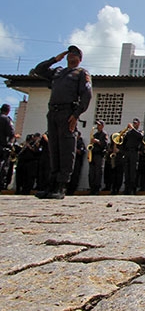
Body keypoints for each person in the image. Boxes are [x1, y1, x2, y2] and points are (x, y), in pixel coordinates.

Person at [31, 46, 92, 199]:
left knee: (66, 149)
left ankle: (61, 186)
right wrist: (54, 59)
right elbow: (39, 70)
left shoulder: (81, 73)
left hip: (67, 113)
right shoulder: (58, 71)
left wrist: (76, 115)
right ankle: (51, 185)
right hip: (53, 112)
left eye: (75, 54)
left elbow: (87, 95)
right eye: (69, 53)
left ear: (80, 58)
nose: (71, 56)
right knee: (54, 148)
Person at [120, 118, 144, 195]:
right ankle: (126, 188)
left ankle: (132, 189)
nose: (134, 124)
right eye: (133, 123)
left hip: (134, 152)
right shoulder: (128, 133)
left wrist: (133, 129)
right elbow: (123, 142)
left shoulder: (140, 132)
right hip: (127, 152)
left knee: (133, 171)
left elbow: (140, 137)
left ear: (139, 124)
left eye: (136, 123)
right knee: (126, 171)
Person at [88, 120, 108, 195]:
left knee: (98, 172)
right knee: (91, 172)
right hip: (93, 154)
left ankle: (96, 188)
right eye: (97, 125)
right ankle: (91, 187)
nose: (97, 126)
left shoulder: (104, 134)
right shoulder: (95, 134)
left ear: (102, 126)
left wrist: (97, 141)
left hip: (99, 155)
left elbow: (104, 145)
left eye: (99, 125)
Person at [0, 104, 17, 190]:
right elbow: (11, 134)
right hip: (2, 147)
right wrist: (10, 144)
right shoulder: (6, 119)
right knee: (3, 166)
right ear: (8, 111)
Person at [66, 131, 86, 195]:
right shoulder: (71, 142)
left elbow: (81, 152)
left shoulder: (80, 143)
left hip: (77, 162)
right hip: (70, 161)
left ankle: (72, 190)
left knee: (75, 177)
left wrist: (74, 149)